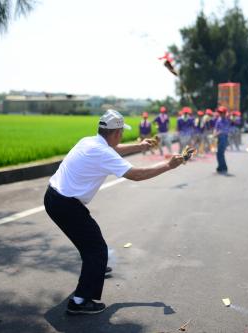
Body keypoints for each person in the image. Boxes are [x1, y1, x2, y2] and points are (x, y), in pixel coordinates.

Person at [44, 109, 185, 315]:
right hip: (66, 204)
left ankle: (95, 270)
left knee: (90, 244)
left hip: (52, 197)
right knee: (97, 249)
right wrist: (168, 165)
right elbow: (135, 175)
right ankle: (80, 301)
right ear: (116, 133)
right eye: (120, 133)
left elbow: (114, 150)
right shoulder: (103, 152)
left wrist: (139, 146)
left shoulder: (89, 142)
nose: (120, 137)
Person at [213, 106, 230, 174]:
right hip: (219, 138)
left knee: (220, 153)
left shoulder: (226, 121)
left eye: (221, 112)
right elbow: (216, 128)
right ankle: (220, 166)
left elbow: (224, 130)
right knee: (218, 153)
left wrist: (217, 133)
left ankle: (224, 167)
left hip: (223, 138)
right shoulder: (219, 119)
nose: (220, 113)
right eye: (219, 112)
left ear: (224, 113)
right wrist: (214, 132)